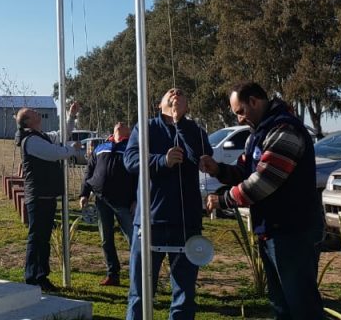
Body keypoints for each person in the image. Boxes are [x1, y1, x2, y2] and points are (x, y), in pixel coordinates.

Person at [200, 82, 325, 320]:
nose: (238, 119)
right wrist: (218, 169)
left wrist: (223, 200)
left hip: (293, 232)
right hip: (272, 231)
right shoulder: (259, 134)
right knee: (281, 305)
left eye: (240, 111)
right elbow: (244, 170)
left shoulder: (285, 131)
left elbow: (263, 182)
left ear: (254, 102)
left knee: (302, 305)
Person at [124, 88, 210, 320]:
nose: (175, 93)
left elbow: (201, 158)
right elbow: (130, 160)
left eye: (181, 92)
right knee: (140, 291)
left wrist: (179, 122)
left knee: (184, 294)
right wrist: (162, 160)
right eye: (169, 93)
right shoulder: (146, 127)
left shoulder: (194, 129)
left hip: (186, 222)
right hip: (150, 222)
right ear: (159, 104)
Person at [14, 100, 84, 293]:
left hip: (46, 196)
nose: (37, 112)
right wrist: (73, 149)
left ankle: (40, 276)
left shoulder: (41, 136)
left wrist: (71, 116)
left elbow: (62, 135)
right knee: (37, 239)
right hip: (38, 197)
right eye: (33, 112)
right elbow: (55, 153)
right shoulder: (32, 140)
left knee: (42, 239)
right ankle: (33, 278)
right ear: (28, 121)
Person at [79, 121, 136, 286]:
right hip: (101, 200)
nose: (119, 124)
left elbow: (139, 176)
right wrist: (84, 193)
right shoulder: (101, 147)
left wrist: (136, 200)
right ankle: (113, 274)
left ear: (129, 131)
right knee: (106, 240)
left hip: (124, 202)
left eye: (124, 124)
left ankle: (138, 276)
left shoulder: (132, 148)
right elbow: (89, 170)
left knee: (133, 239)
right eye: (117, 123)